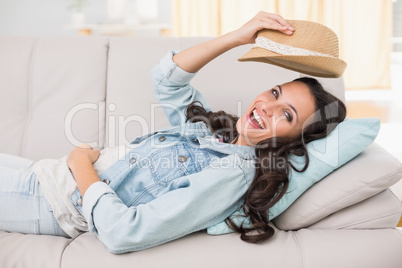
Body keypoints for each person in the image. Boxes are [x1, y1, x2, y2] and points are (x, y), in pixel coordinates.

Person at [0, 12, 346, 253]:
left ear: (293, 140)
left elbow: (125, 232)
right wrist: (237, 37)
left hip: (50, 200)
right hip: (44, 173)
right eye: (274, 92)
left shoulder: (232, 174)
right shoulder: (219, 134)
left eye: (285, 113)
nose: (266, 107)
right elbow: (167, 78)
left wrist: (81, 164)